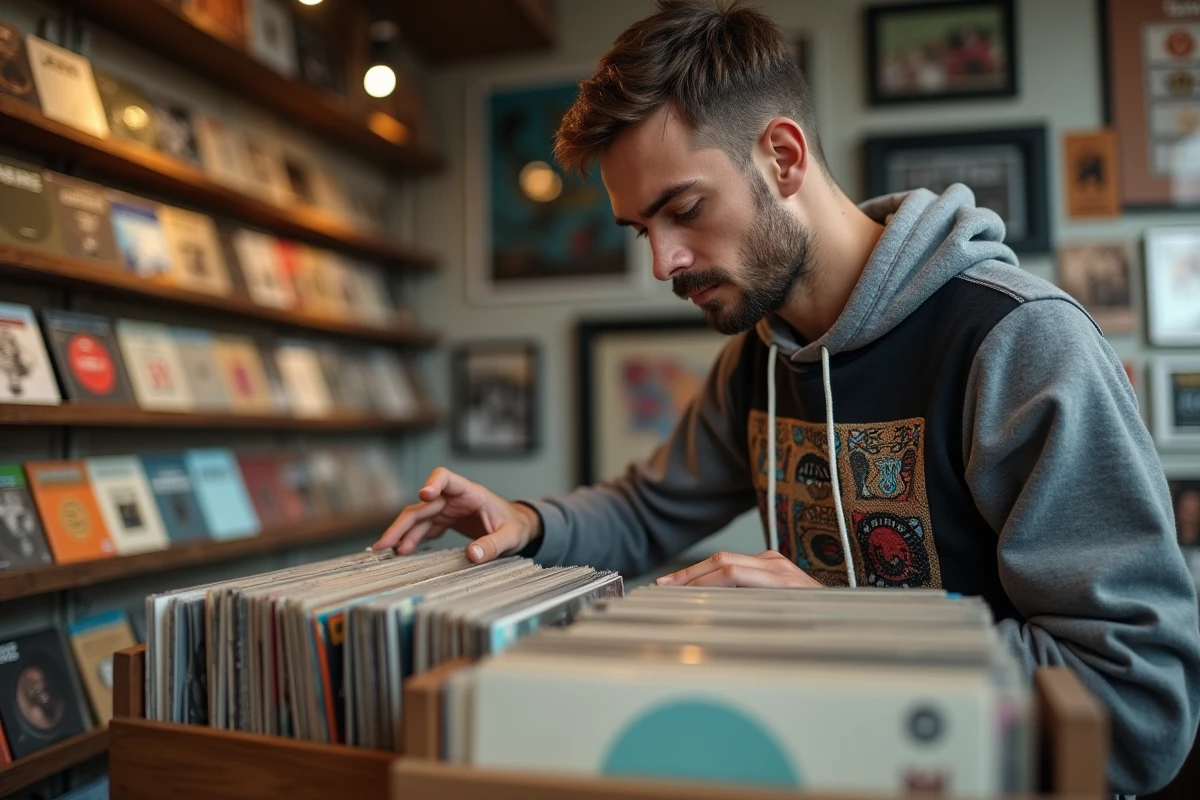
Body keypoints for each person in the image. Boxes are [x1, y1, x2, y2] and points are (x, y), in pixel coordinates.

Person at [375, 1, 1200, 794]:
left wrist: (847, 628)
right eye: (641, 230)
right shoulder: (756, 358)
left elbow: (1137, 707)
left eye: (685, 209)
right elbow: (648, 510)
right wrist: (529, 522)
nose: (662, 263)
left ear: (783, 156)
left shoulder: (1019, 342)